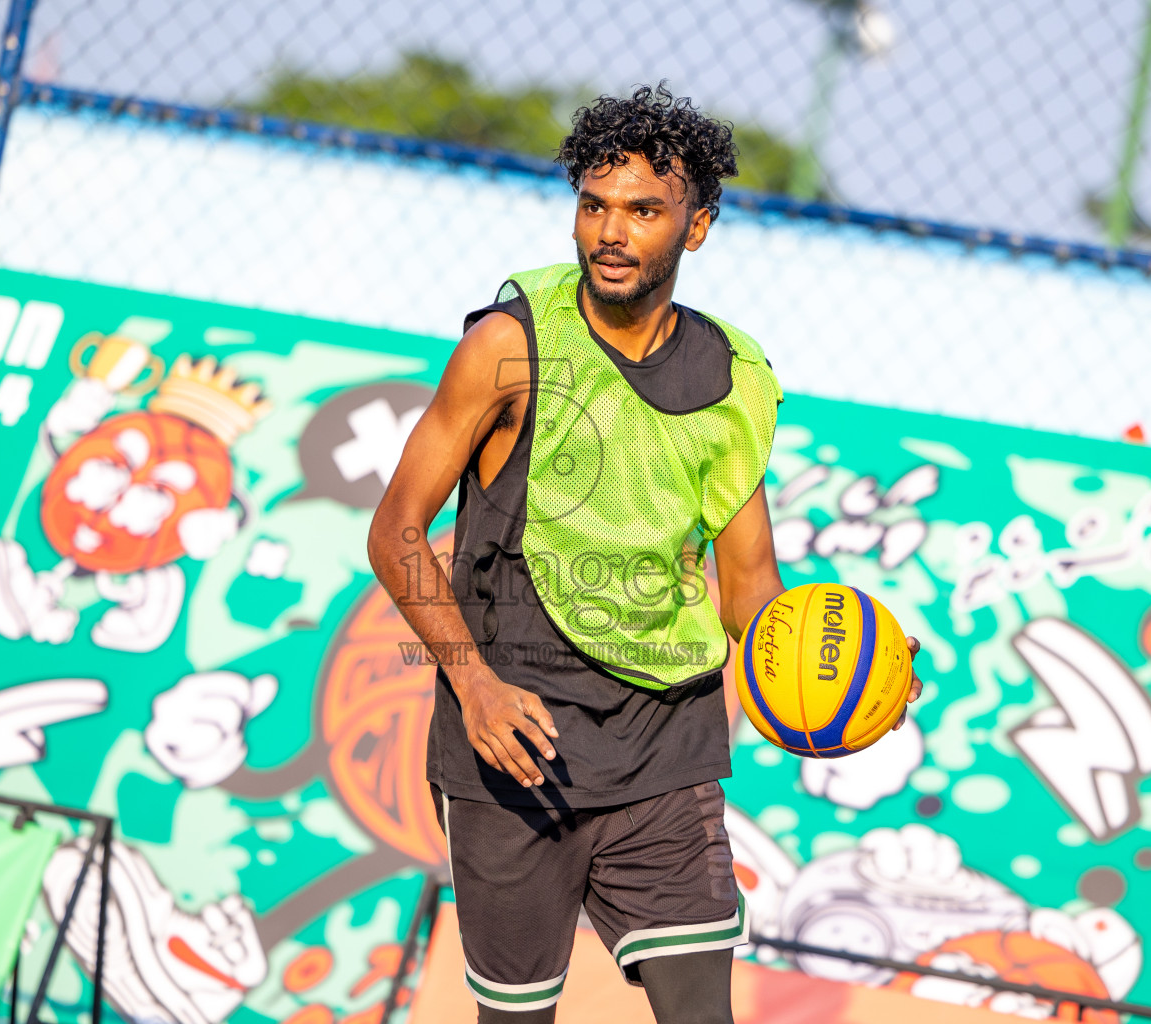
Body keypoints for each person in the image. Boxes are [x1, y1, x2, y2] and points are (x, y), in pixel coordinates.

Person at [368, 84, 922, 1024]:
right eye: (594, 205)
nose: (610, 232)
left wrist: (847, 679)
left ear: (696, 227)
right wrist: (478, 688)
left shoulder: (736, 380)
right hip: (517, 742)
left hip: (665, 741)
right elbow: (396, 532)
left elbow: (749, 588)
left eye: (643, 210)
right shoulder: (511, 347)